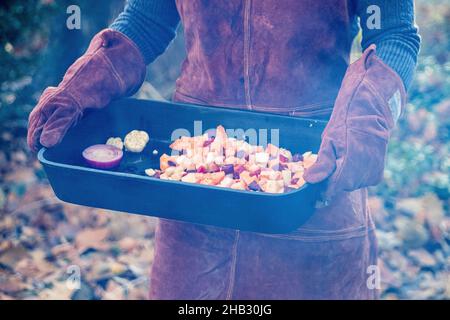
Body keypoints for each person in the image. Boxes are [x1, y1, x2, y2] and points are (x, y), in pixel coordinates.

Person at [28, 0, 420, 299]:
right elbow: (147, 20)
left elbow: (396, 34)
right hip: (191, 191)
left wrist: (368, 116)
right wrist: (92, 77)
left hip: (313, 183)